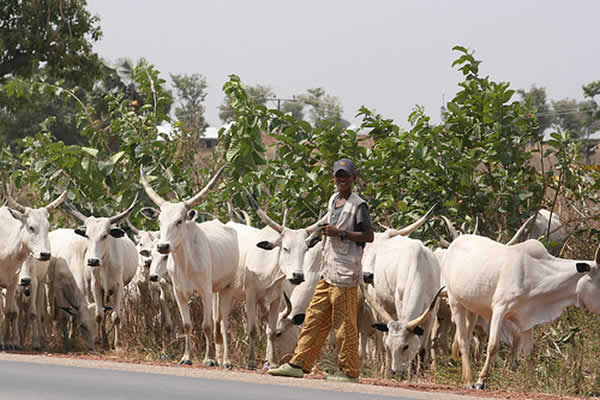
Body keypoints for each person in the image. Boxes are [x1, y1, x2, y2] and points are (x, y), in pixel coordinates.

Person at [267, 157, 374, 383]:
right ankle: (298, 363)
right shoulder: (333, 200)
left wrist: (340, 233)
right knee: (314, 318)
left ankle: (350, 371)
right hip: (328, 272)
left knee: (344, 325)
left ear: (354, 178)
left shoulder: (359, 206)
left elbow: (368, 236)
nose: (341, 180)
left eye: (346, 176)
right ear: (333, 178)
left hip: (345, 275)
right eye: (338, 176)